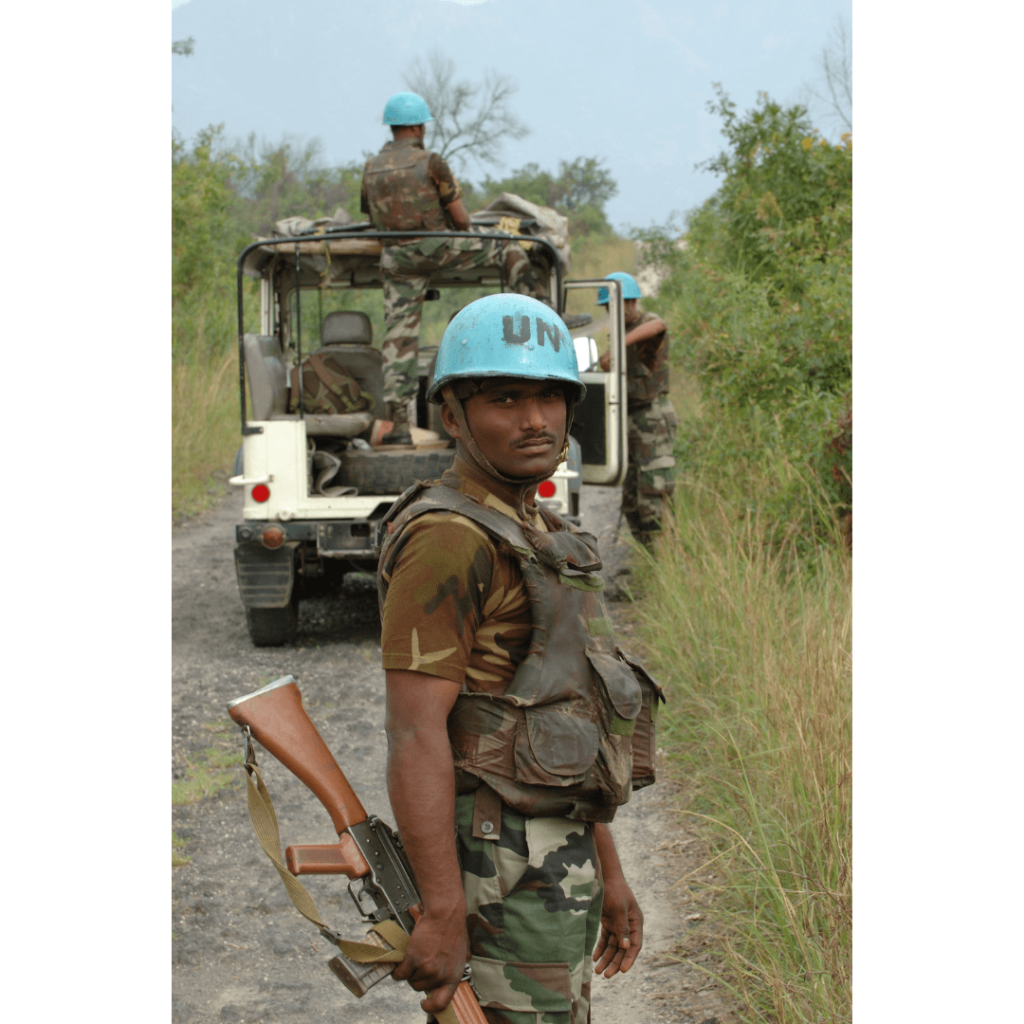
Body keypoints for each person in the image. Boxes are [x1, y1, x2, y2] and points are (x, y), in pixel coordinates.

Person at [376, 293, 663, 1023]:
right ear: (453, 415)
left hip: (552, 855)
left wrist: (608, 870)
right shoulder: (449, 537)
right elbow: (414, 733)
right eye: (505, 398)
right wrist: (442, 909)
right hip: (496, 866)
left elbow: (564, 711)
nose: (534, 419)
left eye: (549, 397)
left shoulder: (535, 525)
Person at [361, 91, 547, 444]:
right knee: (507, 248)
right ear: (418, 126)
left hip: (397, 258)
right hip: (438, 247)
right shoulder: (432, 161)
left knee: (399, 338)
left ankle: (398, 426)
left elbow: (372, 219)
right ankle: (536, 317)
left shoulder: (371, 167)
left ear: (392, 127)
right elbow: (461, 219)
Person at [597, 272, 678, 548]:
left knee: (653, 492)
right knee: (631, 497)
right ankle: (648, 555)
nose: (613, 313)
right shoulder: (619, 331)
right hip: (628, 419)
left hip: (652, 417)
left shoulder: (645, 324)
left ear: (632, 303)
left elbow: (659, 325)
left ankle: (666, 557)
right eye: (609, 308)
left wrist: (620, 345)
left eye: (617, 306)